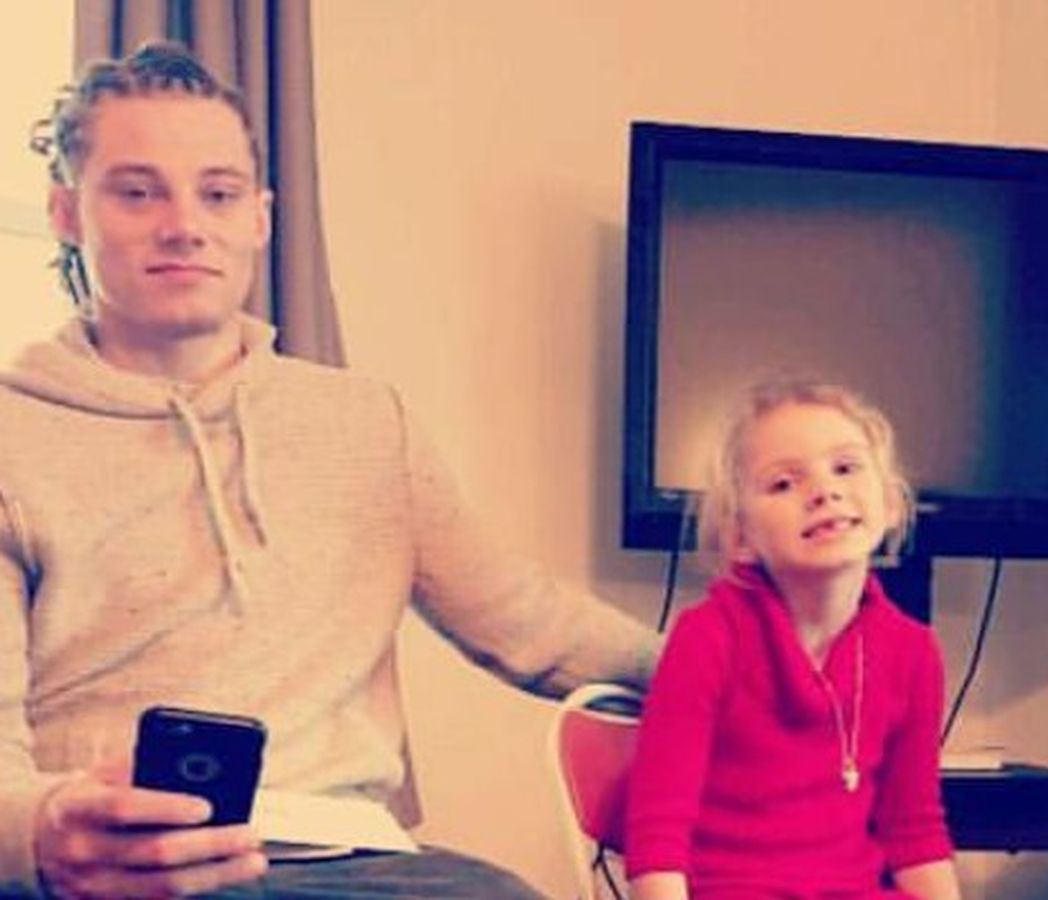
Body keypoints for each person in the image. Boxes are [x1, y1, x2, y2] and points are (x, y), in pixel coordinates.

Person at [0, 41, 661, 899]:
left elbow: (530, 624)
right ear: (65, 211)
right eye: (137, 192)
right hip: (125, 866)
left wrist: (749, 667)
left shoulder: (367, 425)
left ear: (260, 218)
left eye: (217, 193)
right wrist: (43, 833)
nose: (184, 225)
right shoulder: (13, 436)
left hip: (355, 860)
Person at [624, 377, 961, 900]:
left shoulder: (914, 652)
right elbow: (657, 836)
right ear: (740, 539)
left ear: (892, 503)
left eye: (845, 468)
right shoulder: (707, 637)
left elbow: (915, 833)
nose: (825, 491)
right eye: (783, 483)